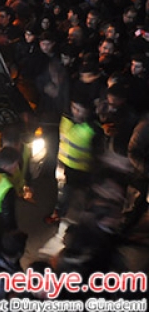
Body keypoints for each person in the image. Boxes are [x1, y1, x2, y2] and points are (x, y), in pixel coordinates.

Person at [45, 95, 103, 224]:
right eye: (74, 107)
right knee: (63, 194)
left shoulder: (93, 129)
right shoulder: (66, 118)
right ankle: (58, 214)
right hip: (65, 166)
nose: (75, 111)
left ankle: (85, 220)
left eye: (79, 109)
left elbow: (98, 153)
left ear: (87, 111)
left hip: (84, 170)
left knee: (84, 196)